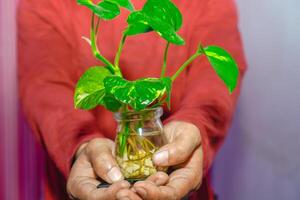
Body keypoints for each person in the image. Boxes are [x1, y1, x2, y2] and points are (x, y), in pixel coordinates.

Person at [18, 0, 246, 199]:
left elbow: (212, 83)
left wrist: (194, 126)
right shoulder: (46, 4)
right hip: (85, 183)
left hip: (173, 181)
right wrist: (82, 144)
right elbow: (44, 84)